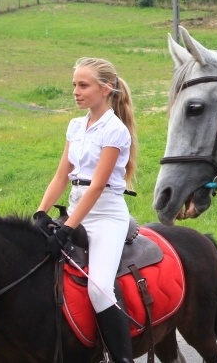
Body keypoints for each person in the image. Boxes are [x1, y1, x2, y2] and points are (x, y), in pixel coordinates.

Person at [33, 57, 138, 362]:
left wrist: (66, 229)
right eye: (74, 85)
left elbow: (95, 186)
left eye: (83, 85)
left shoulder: (116, 131)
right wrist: (42, 212)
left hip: (106, 216)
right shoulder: (75, 126)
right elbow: (61, 175)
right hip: (77, 209)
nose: (76, 92)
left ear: (106, 89)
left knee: (99, 288)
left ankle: (122, 358)